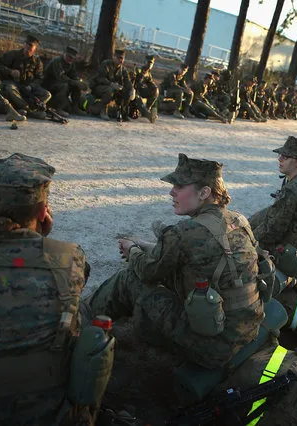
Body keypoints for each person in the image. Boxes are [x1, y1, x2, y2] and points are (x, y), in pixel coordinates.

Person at [0, 153, 105, 425]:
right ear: (43, 210)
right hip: (53, 414)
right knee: (80, 308)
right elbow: (77, 278)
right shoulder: (71, 256)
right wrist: (42, 241)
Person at [88, 154, 265, 369]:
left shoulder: (185, 233)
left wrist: (133, 251)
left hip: (212, 347)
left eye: (179, 186)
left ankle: (83, 324)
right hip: (245, 330)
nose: (172, 192)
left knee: (129, 279)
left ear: (204, 193)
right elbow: (188, 256)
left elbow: (147, 271)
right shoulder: (238, 220)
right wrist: (143, 244)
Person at [250, 136, 297, 263]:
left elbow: (273, 231)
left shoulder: (293, 189)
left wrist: (249, 238)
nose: (279, 159)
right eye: (281, 155)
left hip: (291, 254)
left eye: (285, 157)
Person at [0, 35, 51, 119]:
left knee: (47, 94)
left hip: (27, 88)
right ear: (24, 45)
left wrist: (31, 86)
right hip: (11, 84)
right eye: (27, 45)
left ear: (34, 49)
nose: (28, 48)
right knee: (10, 88)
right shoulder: (12, 54)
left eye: (31, 47)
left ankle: (23, 108)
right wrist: (10, 71)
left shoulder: (37, 62)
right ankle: (28, 111)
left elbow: (39, 78)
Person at [42, 46, 88, 116]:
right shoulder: (57, 61)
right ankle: (59, 108)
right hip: (49, 85)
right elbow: (60, 77)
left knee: (77, 86)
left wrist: (78, 82)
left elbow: (73, 75)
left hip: (59, 85)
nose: (70, 59)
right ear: (64, 54)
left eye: (72, 58)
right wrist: (74, 82)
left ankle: (75, 107)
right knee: (65, 85)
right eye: (68, 56)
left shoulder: (71, 64)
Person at [90, 49, 134, 121]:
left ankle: (123, 113)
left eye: (122, 58)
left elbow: (127, 81)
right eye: (119, 58)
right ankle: (103, 110)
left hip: (114, 88)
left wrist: (132, 89)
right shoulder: (106, 64)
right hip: (99, 87)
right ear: (114, 57)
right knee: (109, 90)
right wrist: (111, 84)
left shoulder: (122, 69)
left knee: (127, 91)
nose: (121, 60)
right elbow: (100, 78)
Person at [132, 54, 159, 122]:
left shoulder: (148, 74)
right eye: (148, 62)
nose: (150, 64)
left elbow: (151, 84)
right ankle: (148, 115)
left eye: (151, 63)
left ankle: (148, 109)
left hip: (141, 90)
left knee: (155, 90)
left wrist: (155, 89)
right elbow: (133, 81)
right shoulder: (138, 70)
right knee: (138, 98)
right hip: (135, 90)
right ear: (145, 62)